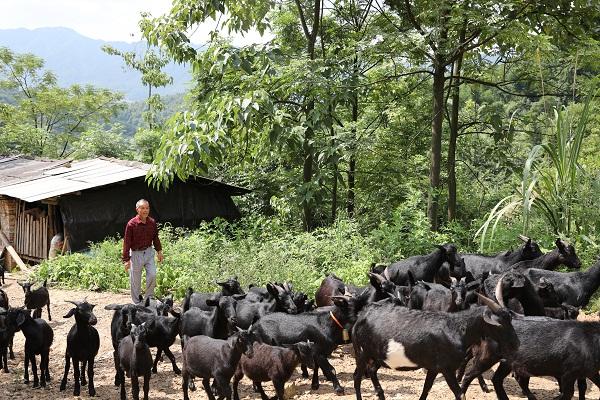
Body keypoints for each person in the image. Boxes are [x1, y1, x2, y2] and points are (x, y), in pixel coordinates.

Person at [122, 199, 164, 304]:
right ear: (137, 209)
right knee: (135, 280)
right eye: (142, 208)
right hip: (136, 254)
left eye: (147, 208)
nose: (145, 210)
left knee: (153, 274)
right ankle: (137, 302)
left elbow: (155, 238)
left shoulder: (152, 222)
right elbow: (126, 242)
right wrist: (126, 260)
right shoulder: (131, 224)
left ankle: (148, 298)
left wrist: (159, 251)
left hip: (149, 252)